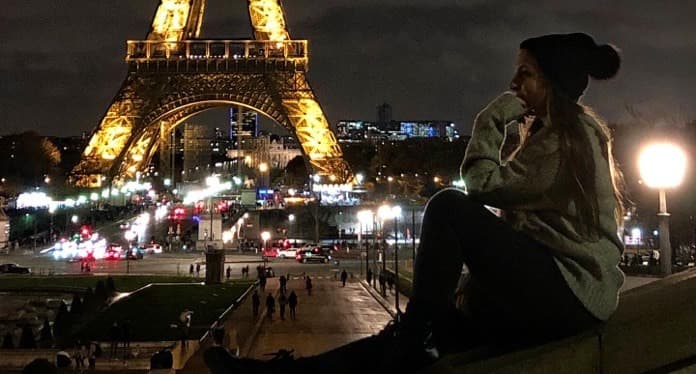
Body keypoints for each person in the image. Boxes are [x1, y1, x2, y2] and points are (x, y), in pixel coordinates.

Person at [214, 32, 625, 373]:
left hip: (566, 295)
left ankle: (410, 338)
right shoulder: (571, 133)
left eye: (525, 73)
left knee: (447, 206)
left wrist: (490, 120)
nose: (514, 84)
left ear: (552, 82)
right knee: (401, 339)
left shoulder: (563, 140)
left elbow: (479, 184)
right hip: (563, 297)